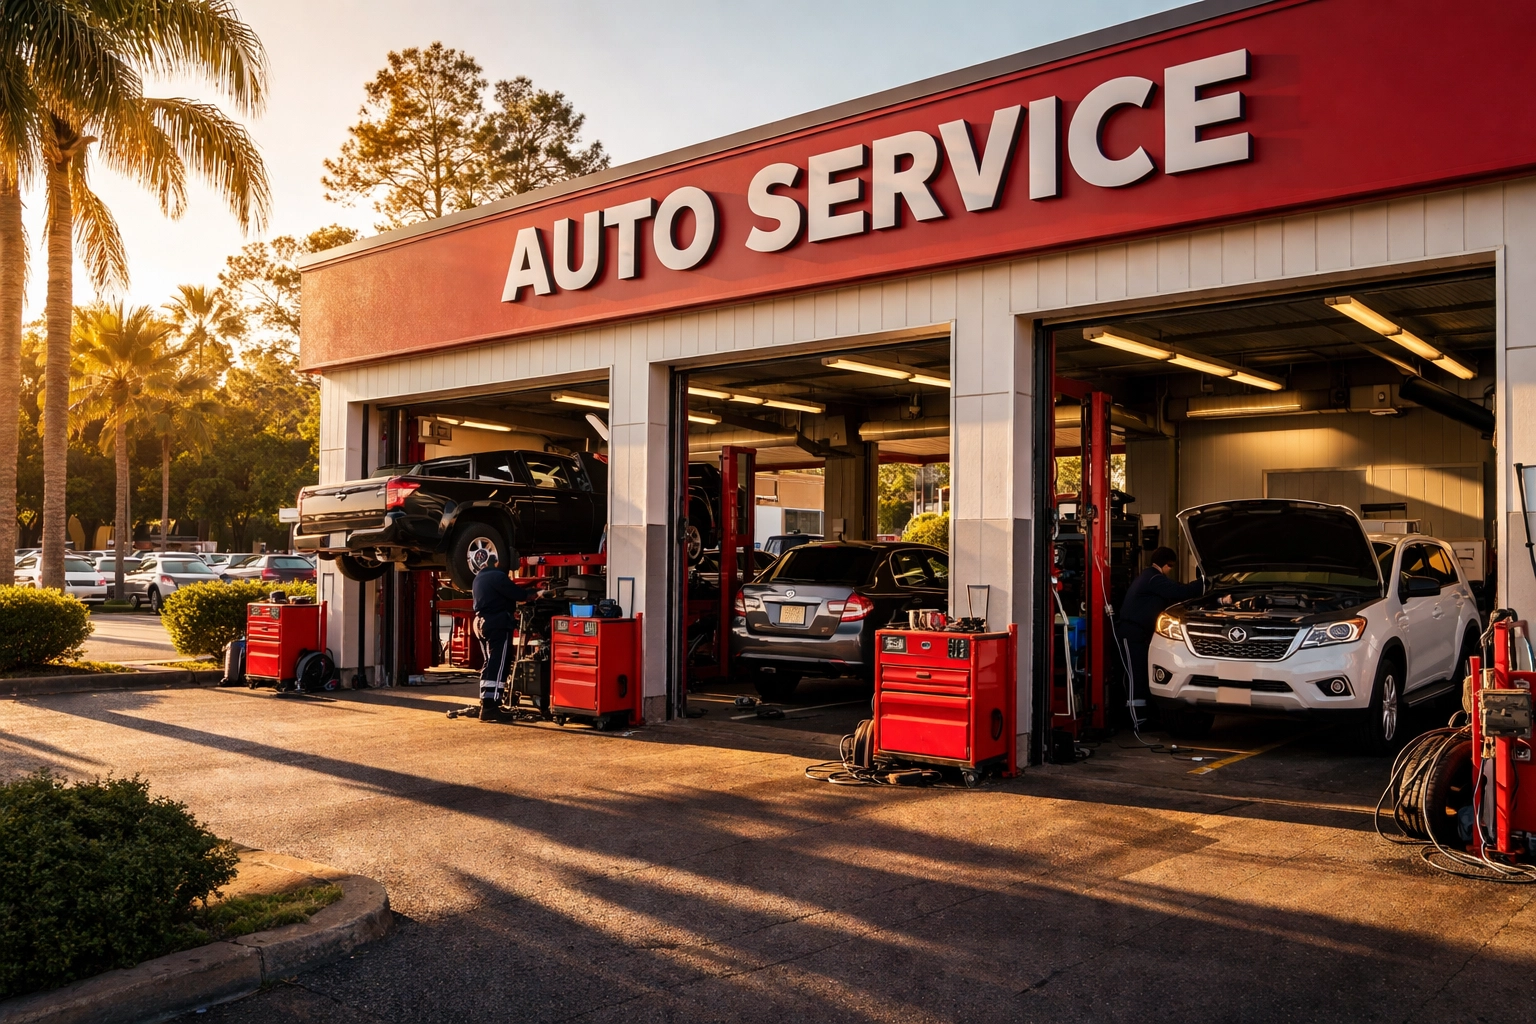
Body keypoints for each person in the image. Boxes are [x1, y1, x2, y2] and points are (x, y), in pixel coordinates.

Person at [1117, 546, 1203, 724]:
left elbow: (1176, 591)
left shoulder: (1149, 578)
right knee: (1136, 675)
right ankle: (1137, 720)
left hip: (1137, 634)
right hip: (1132, 633)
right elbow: (1181, 591)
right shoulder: (1154, 578)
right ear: (1166, 564)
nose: (1170, 571)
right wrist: (1205, 581)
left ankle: (1142, 717)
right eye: (1171, 566)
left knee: (1140, 673)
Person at [471, 547, 539, 722]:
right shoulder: (498, 576)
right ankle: (492, 707)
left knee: (489, 662)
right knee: (500, 663)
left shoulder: (479, 578)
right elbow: (519, 595)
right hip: (497, 623)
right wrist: (538, 593)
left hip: (480, 622)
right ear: (497, 562)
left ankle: (486, 701)